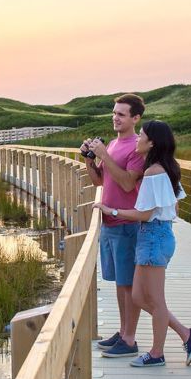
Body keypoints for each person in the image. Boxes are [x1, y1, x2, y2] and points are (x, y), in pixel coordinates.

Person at [93, 120, 191, 367]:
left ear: (151, 142)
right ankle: (186, 333)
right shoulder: (163, 167)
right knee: (140, 297)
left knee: (156, 301)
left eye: (141, 135)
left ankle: (156, 353)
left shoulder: (154, 172)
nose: (137, 140)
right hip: (153, 235)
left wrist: (112, 211)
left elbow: (144, 214)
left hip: (153, 237)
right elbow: (174, 203)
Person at [81, 94, 145, 358]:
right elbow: (100, 182)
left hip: (126, 223)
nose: (115, 118)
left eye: (121, 114)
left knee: (128, 284)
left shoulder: (137, 147)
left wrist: (104, 155)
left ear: (136, 118)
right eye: (114, 113)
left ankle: (130, 340)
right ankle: (123, 331)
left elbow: (129, 183)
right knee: (120, 284)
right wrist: (89, 159)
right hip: (109, 222)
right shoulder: (115, 144)